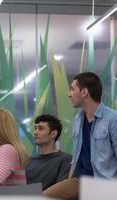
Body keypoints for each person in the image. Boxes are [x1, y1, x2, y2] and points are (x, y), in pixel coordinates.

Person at [43, 72, 117, 200]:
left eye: (72, 89)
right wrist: (68, 182)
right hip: (79, 182)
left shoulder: (112, 119)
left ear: (84, 92)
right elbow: (75, 157)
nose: (69, 94)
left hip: (104, 184)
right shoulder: (77, 120)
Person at [26, 114, 72, 190]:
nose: (35, 132)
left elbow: (61, 191)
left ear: (53, 134)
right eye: (35, 128)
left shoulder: (66, 160)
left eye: (40, 129)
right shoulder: (28, 161)